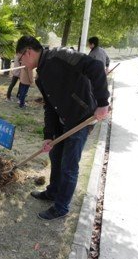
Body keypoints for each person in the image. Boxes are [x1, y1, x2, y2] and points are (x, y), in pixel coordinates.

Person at [18, 36, 110, 221]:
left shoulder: (61, 56)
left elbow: (96, 67)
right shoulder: (41, 76)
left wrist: (102, 103)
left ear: (28, 52)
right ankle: (53, 192)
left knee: (69, 165)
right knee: (56, 156)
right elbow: (49, 107)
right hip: (62, 119)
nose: (20, 63)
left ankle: (61, 207)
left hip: (81, 118)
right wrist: (48, 135)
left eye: (20, 59)